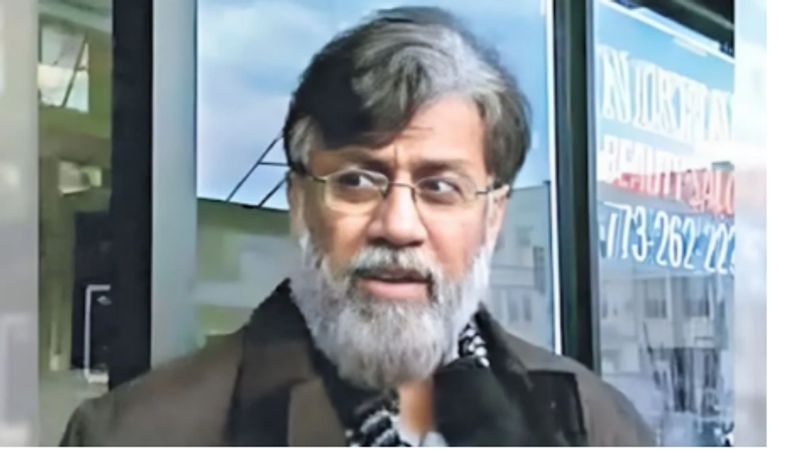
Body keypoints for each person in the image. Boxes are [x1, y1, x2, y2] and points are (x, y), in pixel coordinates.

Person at [61, 6, 653, 446]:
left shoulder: (595, 426)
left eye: (439, 188)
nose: (398, 226)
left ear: (492, 216)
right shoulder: (139, 435)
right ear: (299, 200)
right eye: (357, 181)